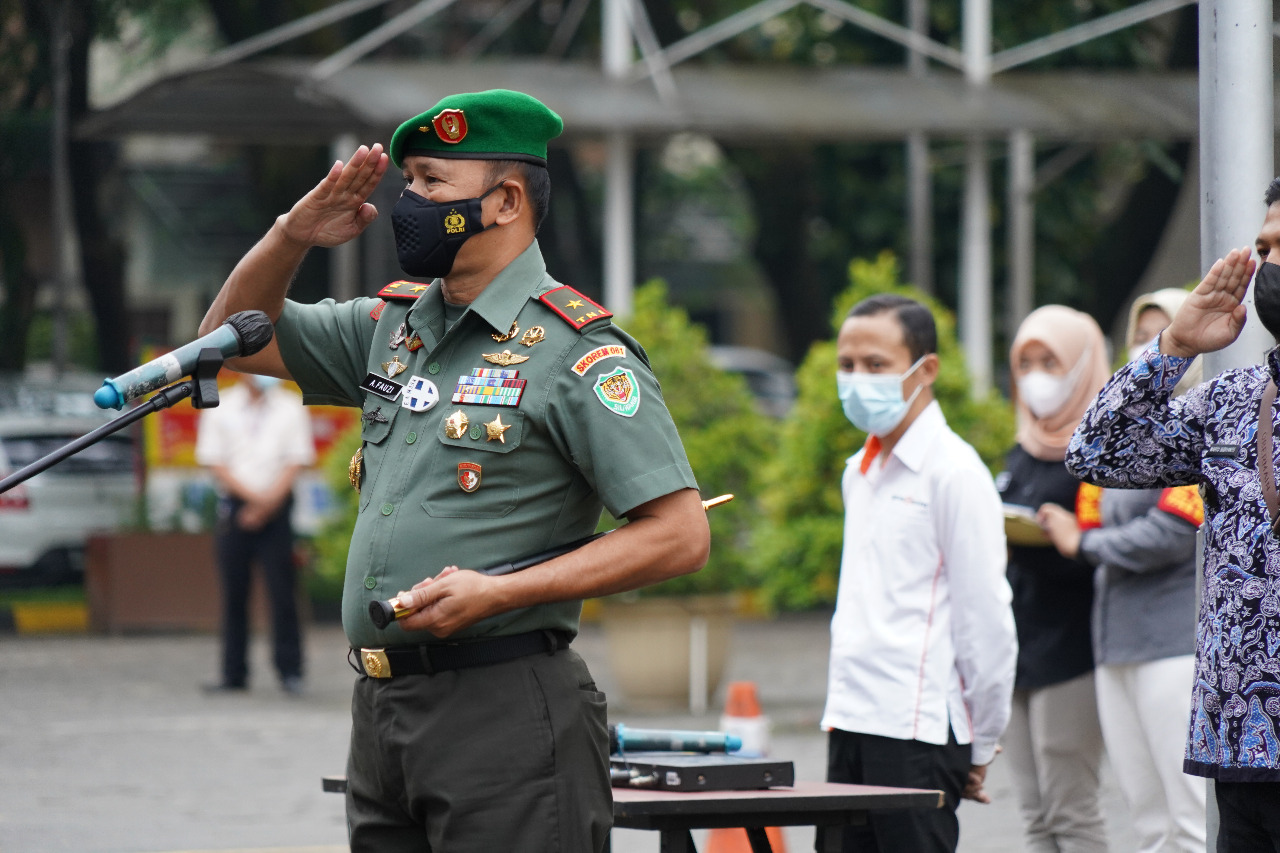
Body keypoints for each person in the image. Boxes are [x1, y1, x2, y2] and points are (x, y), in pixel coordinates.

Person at [197, 89, 709, 852]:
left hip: (505, 706)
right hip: (383, 709)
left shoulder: (576, 352)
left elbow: (679, 535)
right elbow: (231, 338)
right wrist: (290, 235)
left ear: (504, 201)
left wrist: (500, 591)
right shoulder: (392, 327)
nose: (409, 202)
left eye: (432, 183)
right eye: (409, 183)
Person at [1068, 179, 1280, 850]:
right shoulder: (1237, 400)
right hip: (1246, 739)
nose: (1265, 265)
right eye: (1263, 247)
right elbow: (1097, 450)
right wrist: (1173, 349)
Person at [820, 293, 1017, 853]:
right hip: (850, 717)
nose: (857, 379)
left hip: (917, 728)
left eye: (876, 365)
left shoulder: (955, 473)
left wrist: (984, 741)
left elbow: (987, 619)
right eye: (847, 365)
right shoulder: (858, 472)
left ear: (925, 369)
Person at [1038, 289, 1207, 853]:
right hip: (1117, 643)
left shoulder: (1202, 432)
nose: (1147, 346)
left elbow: (1168, 536)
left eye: (1166, 330)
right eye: (1141, 334)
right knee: (1148, 819)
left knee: (1189, 817)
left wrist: (1080, 545)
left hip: (1173, 645)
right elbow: (1096, 509)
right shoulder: (1134, 445)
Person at [999, 305, 1112, 853]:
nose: (1037, 375)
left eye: (1052, 360)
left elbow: (1108, 549)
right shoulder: (1019, 452)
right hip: (1019, 645)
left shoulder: (1106, 454)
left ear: (1084, 363)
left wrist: (1063, 538)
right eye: (1026, 362)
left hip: (1074, 649)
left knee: (1072, 810)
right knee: (1034, 814)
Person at [195, 372, 314, 695]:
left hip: (278, 508)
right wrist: (251, 501)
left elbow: (297, 459)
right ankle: (233, 672)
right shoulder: (221, 405)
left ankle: (291, 670)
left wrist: (266, 505)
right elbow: (214, 461)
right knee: (234, 593)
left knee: (283, 592)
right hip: (234, 509)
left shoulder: (290, 406)